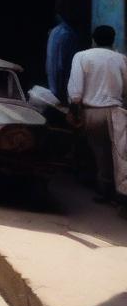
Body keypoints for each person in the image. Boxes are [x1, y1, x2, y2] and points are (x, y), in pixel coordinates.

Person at [67, 25, 126, 203]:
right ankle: (118, 192)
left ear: (93, 39)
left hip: (91, 112)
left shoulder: (82, 56)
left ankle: (104, 189)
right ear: (113, 40)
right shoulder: (121, 59)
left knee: (99, 152)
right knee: (118, 153)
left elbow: (76, 89)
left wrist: (74, 110)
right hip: (116, 111)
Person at [47, 14, 81, 104]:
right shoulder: (65, 33)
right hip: (60, 87)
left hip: (56, 86)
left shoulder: (58, 32)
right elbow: (60, 66)